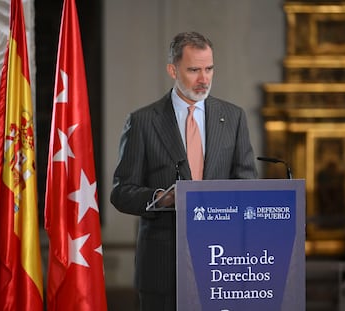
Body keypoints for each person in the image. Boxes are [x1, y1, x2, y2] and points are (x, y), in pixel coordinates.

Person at [110, 31, 258, 311]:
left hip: (220, 262)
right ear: (172, 70)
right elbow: (121, 192)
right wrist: (161, 198)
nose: (204, 79)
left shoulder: (234, 117)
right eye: (194, 70)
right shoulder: (142, 122)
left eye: (209, 68)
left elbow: (247, 183)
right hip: (162, 266)